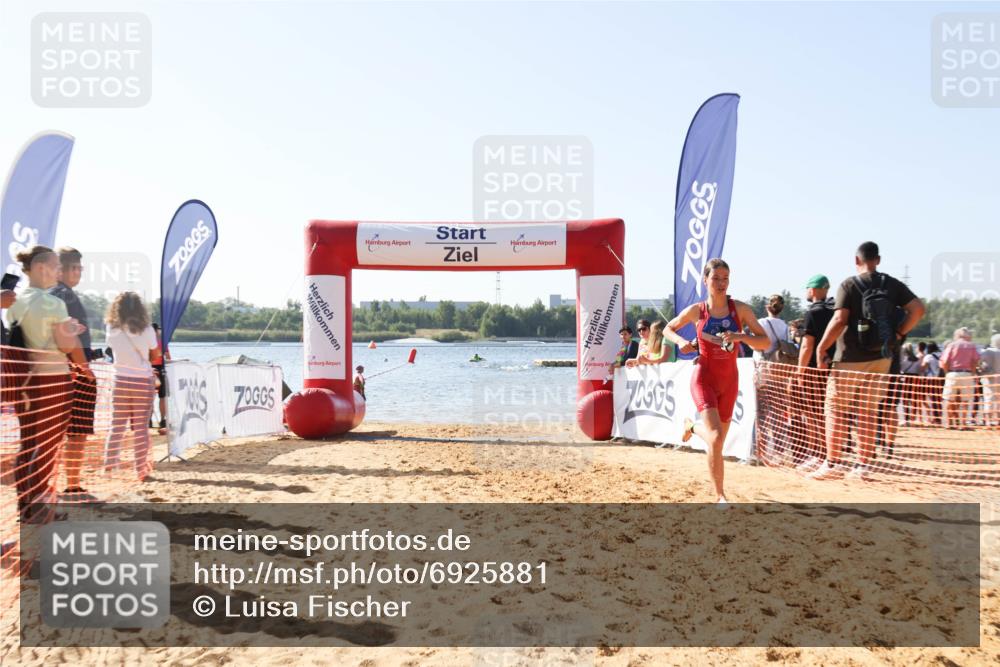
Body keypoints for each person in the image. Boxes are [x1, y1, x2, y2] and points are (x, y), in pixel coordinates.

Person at [813, 242, 925, 480]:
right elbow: (918, 309)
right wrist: (899, 334)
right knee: (868, 411)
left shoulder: (849, 285)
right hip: (881, 356)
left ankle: (833, 464)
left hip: (850, 357)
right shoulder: (892, 284)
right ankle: (862, 466)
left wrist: (822, 347)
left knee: (836, 410)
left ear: (856, 260)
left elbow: (839, 320)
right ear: (878, 259)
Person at [664, 258, 771, 504]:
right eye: (716, 278)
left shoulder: (740, 310)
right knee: (714, 438)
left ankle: (691, 427)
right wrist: (682, 343)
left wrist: (740, 336)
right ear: (705, 280)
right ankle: (720, 496)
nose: (721, 283)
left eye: (725, 278)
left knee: (718, 441)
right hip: (703, 378)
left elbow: (765, 342)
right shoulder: (697, 310)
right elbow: (668, 328)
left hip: (729, 381)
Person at [4, 246, 92, 522]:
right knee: (47, 445)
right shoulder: (54, 303)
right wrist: (85, 368)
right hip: (52, 379)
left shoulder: (16, 302)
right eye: (55, 267)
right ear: (42, 269)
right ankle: (39, 508)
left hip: (24, 381)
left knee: (29, 444)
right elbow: (67, 344)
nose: (59, 272)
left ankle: (27, 507)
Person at [49, 247, 98, 496]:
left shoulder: (51, 294)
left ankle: (61, 484)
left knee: (54, 432)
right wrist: (85, 368)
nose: (79, 272)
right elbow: (66, 335)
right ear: (62, 269)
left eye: (79, 267)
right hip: (73, 372)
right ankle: (72, 483)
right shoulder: (64, 296)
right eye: (76, 267)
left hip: (57, 371)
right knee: (77, 431)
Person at [103, 292, 157, 479]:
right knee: (140, 427)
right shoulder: (147, 329)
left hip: (119, 378)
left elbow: (110, 347)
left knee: (116, 425)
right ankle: (140, 469)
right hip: (142, 379)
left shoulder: (112, 328)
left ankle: (109, 466)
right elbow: (155, 353)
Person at [793, 275, 835, 473]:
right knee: (829, 414)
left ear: (813, 290)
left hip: (812, 370)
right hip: (831, 369)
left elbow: (806, 346)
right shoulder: (835, 312)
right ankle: (828, 455)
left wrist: (800, 372)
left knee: (812, 414)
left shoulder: (813, 313)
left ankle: (817, 454)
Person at [940, 327, 980, 430]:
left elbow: (944, 361)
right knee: (965, 401)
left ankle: (949, 423)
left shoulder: (951, 345)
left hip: (952, 373)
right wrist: (973, 372)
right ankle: (963, 424)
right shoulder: (971, 346)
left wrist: (947, 372)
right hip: (967, 374)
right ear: (968, 336)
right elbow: (975, 361)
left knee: (949, 399)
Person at [757, 294, 790, 361]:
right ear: (781, 309)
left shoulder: (761, 322)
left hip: (764, 363)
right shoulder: (785, 325)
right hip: (780, 363)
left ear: (767, 307)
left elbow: (756, 346)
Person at [150, 323, 170, 431]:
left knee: (150, 397)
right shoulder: (162, 342)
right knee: (162, 397)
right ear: (157, 331)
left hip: (149, 368)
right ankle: (162, 420)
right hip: (160, 368)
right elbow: (168, 357)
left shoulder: (146, 341)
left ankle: (149, 420)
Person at [979, 334, 1000, 428]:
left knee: (988, 399)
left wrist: (981, 369)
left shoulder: (988, 351)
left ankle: (988, 421)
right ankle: (998, 421)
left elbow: (978, 360)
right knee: (998, 400)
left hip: (989, 377)